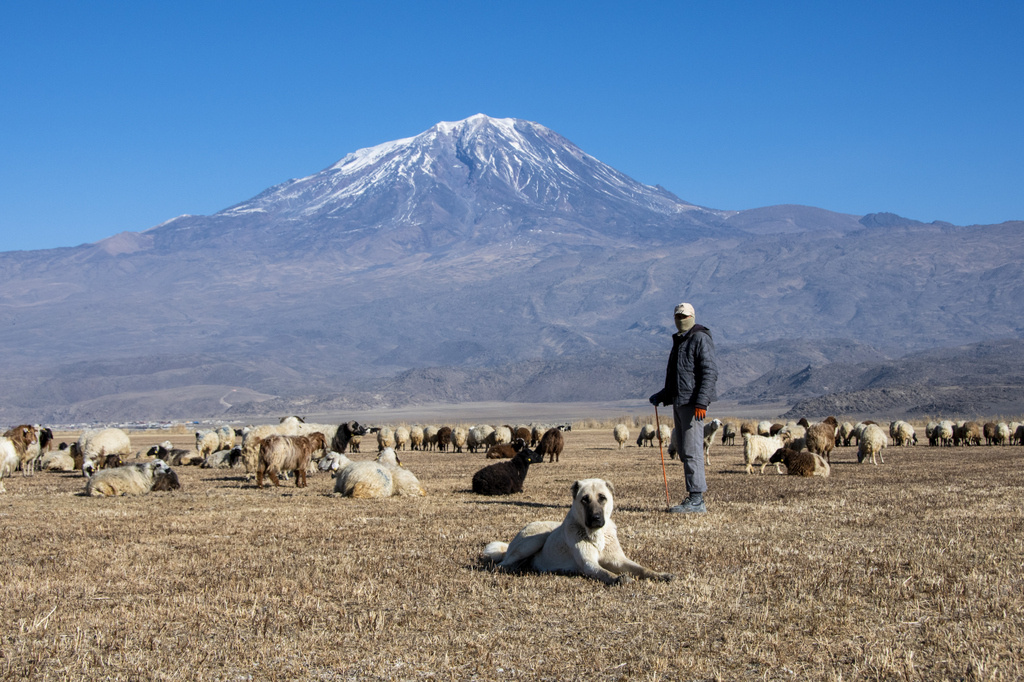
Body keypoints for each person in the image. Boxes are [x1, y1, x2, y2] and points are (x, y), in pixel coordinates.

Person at [649, 302, 718, 513]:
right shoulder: (680, 341)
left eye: (684, 316)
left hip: (692, 404)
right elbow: (677, 377)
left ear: (693, 316)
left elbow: (709, 372)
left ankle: (697, 499)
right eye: (678, 316)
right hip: (679, 402)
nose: (681, 320)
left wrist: (701, 402)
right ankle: (693, 497)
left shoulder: (699, 338)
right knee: (683, 449)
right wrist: (662, 395)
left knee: (692, 450)